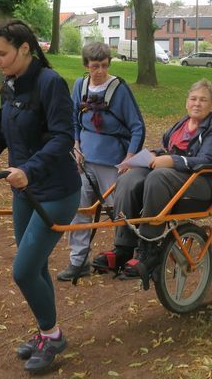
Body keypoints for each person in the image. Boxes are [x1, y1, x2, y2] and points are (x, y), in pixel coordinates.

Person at [0, 20, 81, 373]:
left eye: (2, 53)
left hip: (54, 191)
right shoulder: (9, 85)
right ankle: (46, 332)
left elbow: (63, 138)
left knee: (23, 271)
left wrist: (30, 169)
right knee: (34, 266)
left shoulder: (49, 83)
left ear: (25, 49)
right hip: (23, 189)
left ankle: (52, 337)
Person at [93, 79, 212, 281]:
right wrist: (153, 154)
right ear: (186, 102)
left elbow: (209, 160)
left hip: (204, 183)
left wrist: (171, 160)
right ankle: (123, 248)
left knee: (159, 177)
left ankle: (149, 252)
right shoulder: (183, 124)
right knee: (129, 178)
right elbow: (170, 149)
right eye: (193, 99)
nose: (197, 103)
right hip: (176, 179)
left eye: (203, 100)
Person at [56, 42, 145, 282]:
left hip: (112, 162)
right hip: (84, 161)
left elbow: (137, 127)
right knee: (80, 209)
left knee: (121, 209)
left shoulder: (119, 89)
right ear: (86, 65)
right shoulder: (80, 85)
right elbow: (74, 120)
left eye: (104, 66)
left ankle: (131, 254)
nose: (100, 71)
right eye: (95, 66)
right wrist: (75, 145)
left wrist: (129, 158)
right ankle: (78, 261)